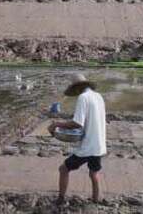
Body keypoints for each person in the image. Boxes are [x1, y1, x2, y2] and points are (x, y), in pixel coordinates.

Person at [48, 74, 106, 205]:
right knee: (94, 173)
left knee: (63, 169)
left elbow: (77, 123)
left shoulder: (83, 97)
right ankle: (96, 200)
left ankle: (61, 199)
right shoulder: (98, 96)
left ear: (77, 88)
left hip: (87, 146)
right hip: (99, 145)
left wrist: (56, 124)